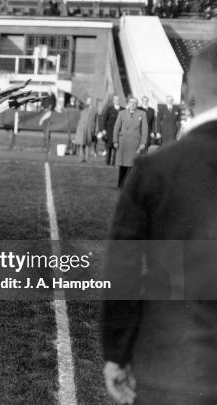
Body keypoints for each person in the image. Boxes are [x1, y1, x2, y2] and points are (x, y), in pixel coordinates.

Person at [101, 40, 217, 405]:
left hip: (177, 370)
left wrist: (117, 353)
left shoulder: (157, 169)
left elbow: (124, 268)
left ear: (186, 93)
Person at [113, 96, 147, 188]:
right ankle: (120, 185)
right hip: (123, 142)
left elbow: (144, 130)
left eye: (135, 103)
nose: (133, 104)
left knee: (132, 165)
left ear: (137, 104)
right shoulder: (121, 113)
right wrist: (115, 141)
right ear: (128, 103)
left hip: (135, 143)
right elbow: (116, 128)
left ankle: (130, 187)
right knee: (123, 165)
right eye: (131, 102)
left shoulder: (142, 114)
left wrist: (143, 143)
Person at [100, 94, 124, 165]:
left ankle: (115, 162)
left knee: (116, 147)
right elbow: (104, 120)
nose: (116, 101)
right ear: (113, 101)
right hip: (110, 131)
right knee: (109, 147)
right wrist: (104, 129)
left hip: (119, 131)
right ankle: (108, 162)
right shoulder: (109, 109)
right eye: (115, 100)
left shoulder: (122, 109)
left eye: (117, 100)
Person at [74, 96, 99, 162]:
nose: (89, 102)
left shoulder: (94, 110)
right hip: (82, 128)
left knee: (88, 144)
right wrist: (79, 99)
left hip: (90, 129)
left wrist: (96, 130)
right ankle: (81, 158)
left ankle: (87, 159)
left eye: (90, 100)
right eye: (88, 100)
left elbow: (96, 121)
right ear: (86, 101)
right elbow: (78, 104)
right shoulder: (83, 108)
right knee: (82, 144)